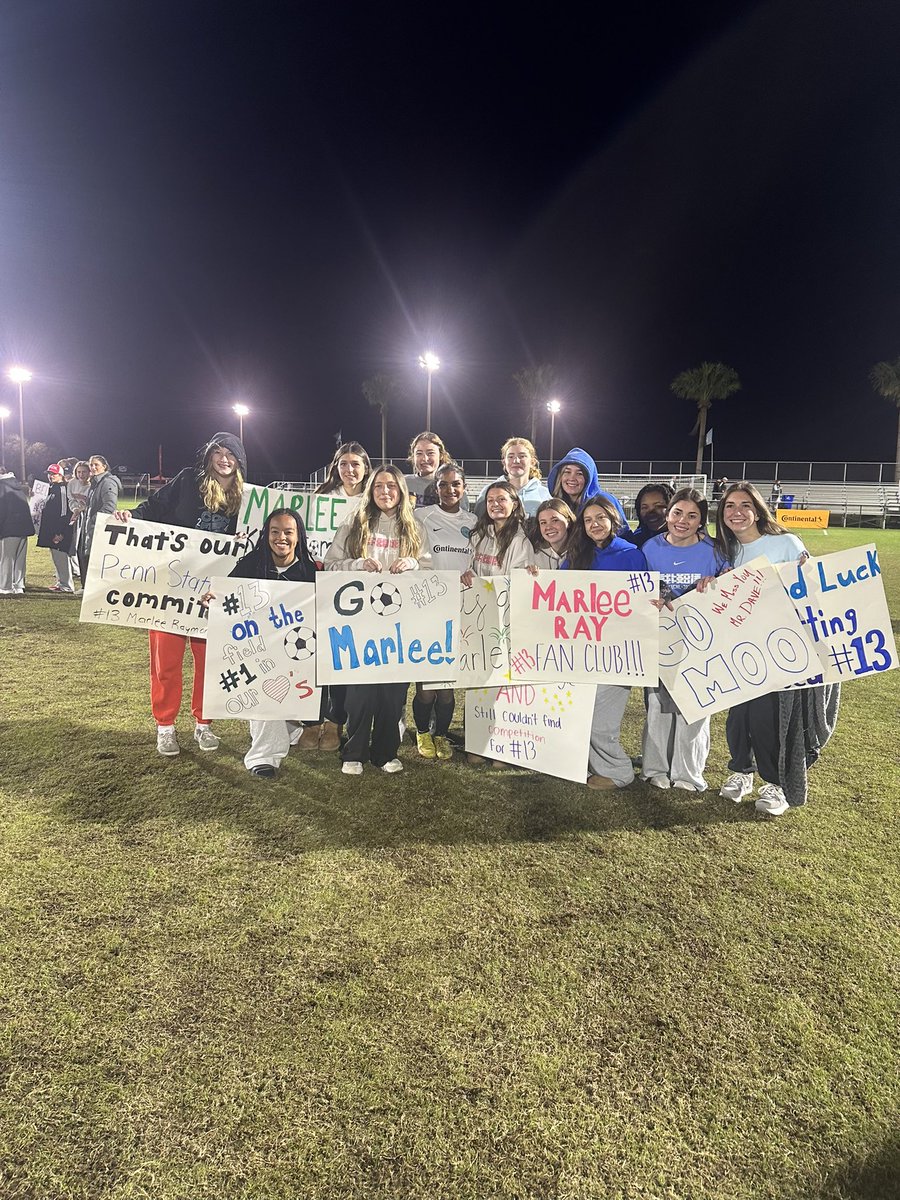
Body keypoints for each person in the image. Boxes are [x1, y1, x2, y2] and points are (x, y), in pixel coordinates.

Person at [713, 481, 840, 817]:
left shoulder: (785, 542)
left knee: (767, 717)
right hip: (738, 646)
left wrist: (806, 572)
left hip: (779, 647)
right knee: (738, 716)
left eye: (745, 505)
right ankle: (741, 771)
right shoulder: (724, 550)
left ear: (757, 511)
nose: (737, 512)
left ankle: (775, 782)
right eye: (729, 506)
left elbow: (812, 588)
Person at [118, 433, 246, 757]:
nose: (224, 459)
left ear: (240, 460)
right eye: (218, 452)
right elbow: (154, 506)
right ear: (209, 456)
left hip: (212, 593)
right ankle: (165, 726)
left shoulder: (246, 498)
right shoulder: (189, 480)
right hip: (172, 587)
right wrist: (131, 517)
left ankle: (204, 724)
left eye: (230, 453)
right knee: (166, 661)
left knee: (210, 662)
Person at [324, 464, 431, 774]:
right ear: (371, 490)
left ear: (401, 491)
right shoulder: (354, 523)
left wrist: (413, 564)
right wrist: (357, 564)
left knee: (392, 693)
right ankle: (354, 752)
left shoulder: (415, 527)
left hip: (400, 625)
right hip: (360, 622)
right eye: (379, 486)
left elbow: (430, 571)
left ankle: (385, 752)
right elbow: (330, 565)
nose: (385, 491)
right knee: (359, 693)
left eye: (392, 486)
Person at [641, 488, 727, 792]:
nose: (683, 520)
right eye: (677, 512)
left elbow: (731, 587)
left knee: (696, 707)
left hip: (701, 642)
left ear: (701, 521)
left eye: (692, 516)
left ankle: (689, 774)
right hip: (661, 640)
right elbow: (639, 588)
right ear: (668, 514)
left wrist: (716, 583)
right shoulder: (650, 548)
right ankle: (655, 768)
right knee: (658, 705)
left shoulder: (715, 551)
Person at [562, 497, 648, 790]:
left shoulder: (631, 555)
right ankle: (593, 765)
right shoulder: (577, 555)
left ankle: (619, 771)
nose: (594, 524)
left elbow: (642, 601)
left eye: (600, 518)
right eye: (588, 520)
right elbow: (555, 593)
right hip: (582, 650)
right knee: (581, 713)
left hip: (618, 652)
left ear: (614, 519)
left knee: (601, 721)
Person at [228, 509, 319, 777]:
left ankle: (289, 730)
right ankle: (263, 756)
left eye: (288, 532)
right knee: (264, 686)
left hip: (296, 654)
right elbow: (228, 596)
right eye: (275, 531)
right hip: (257, 650)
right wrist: (215, 598)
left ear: (298, 537)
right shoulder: (250, 564)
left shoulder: (308, 571)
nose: (281, 538)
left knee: (286, 690)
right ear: (266, 534)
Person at [410, 462, 473, 760]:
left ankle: (441, 735)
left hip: (461, 608)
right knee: (426, 687)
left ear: (464, 487)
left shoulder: (473, 521)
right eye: (443, 484)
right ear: (435, 488)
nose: (450, 490)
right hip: (428, 607)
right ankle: (422, 732)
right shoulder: (421, 516)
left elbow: (479, 559)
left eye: (455, 484)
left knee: (447, 688)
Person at [464, 481, 535, 580]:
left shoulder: (520, 542)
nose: (495, 504)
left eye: (501, 499)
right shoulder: (478, 535)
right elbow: (468, 567)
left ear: (514, 505)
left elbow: (519, 581)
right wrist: (468, 574)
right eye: (490, 500)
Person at [546, 448, 628, 528]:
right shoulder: (557, 506)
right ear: (560, 476)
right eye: (567, 472)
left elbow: (624, 533)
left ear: (588, 478)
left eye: (579, 474)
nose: (572, 478)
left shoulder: (606, 500)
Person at [474, 437, 550, 518]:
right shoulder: (488, 492)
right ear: (504, 462)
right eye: (510, 457)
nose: (516, 461)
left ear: (532, 462)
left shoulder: (545, 495)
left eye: (522, 456)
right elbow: (479, 522)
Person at [77, 455, 121, 580]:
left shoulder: (107, 482)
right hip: (90, 527)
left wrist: (94, 520)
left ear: (104, 466)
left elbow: (109, 506)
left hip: (97, 528)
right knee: (85, 556)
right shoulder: (96, 482)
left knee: (94, 559)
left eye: (96, 464)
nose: (93, 467)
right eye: (91, 465)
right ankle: (85, 586)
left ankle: (89, 586)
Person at [37, 464, 76, 593]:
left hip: (59, 531)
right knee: (57, 558)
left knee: (61, 558)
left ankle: (67, 586)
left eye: (54, 474)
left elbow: (65, 513)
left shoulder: (63, 489)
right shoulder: (52, 488)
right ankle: (61, 583)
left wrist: (60, 532)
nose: (51, 476)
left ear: (61, 475)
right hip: (52, 530)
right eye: (49, 474)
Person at [0, 469, 35, 595]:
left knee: (7, 558)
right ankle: (19, 585)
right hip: (23, 528)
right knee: (20, 559)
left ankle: (6, 587)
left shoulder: (2, 486)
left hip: (9, 528)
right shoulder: (17, 485)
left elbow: (1, 510)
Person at [404, 431, 452, 507]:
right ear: (413, 457)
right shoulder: (403, 483)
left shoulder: (452, 486)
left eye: (430, 453)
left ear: (441, 455)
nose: (425, 459)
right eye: (419, 453)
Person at [622, 482, 673, 549]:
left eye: (658, 506)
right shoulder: (635, 540)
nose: (651, 512)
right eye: (645, 507)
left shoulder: (682, 538)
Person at [531, 498, 575, 569]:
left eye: (555, 520)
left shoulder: (584, 551)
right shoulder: (533, 555)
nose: (548, 527)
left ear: (568, 522)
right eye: (543, 522)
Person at [67, 461, 91, 582]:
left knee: (85, 544)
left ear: (89, 472)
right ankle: (75, 569)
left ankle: (85, 570)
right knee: (73, 543)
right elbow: (70, 499)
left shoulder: (92, 485)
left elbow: (92, 503)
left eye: (84, 472)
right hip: (75, 515)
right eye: (79, 472)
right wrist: (75, 510)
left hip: (88, 517)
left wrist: (82, 509)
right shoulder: (72, 483)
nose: (81, 474)